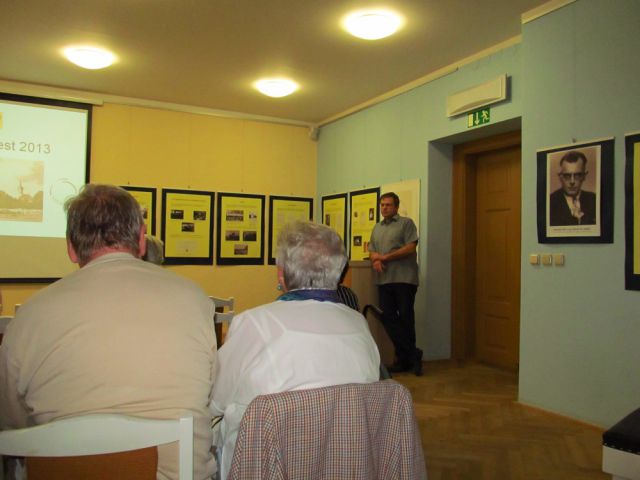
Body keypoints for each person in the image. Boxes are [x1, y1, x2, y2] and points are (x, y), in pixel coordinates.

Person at [0, 184, 218, 480]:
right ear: (141, 240)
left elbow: (11, 421)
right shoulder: (194, 299)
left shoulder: (29, 315)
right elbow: (208, 390)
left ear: (70, 247)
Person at [210, 221, 380, 480]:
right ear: (339, 272)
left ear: (281, 274)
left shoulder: (254, 322)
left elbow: (216, 401)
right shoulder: (358, 323)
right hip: (344, 460)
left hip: (266, 464)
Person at [368, 192, 422, 376]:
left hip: (404, 279)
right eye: (382, 205)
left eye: (388, 205)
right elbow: (372, 250)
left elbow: (410, 247)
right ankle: (412, 355)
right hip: (384, 280)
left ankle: (406, 360)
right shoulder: (377, 227)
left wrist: (386, 257)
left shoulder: (406, 223)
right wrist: (376, 259)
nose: (384, 208)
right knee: (388, 317)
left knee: (406, 319)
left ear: (396, 207)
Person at [549, 150, 596, 226]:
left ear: (584, 176)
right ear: (560, 177)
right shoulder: (550, 202)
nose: (572, 181)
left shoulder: (594, 200)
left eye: (577, 175)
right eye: (567, 176)